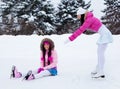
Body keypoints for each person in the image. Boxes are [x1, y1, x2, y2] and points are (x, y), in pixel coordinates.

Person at [64, 7, 113, 78]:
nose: (77, 17)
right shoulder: (88, 19)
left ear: (82, 14)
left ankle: (101, 71)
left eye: (78, 15)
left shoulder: (89, 20)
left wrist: (70, 39)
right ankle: (98, 68)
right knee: (100, 52)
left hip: (105, 35)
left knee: (100, 53)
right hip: (104, 34)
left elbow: (80, 30)